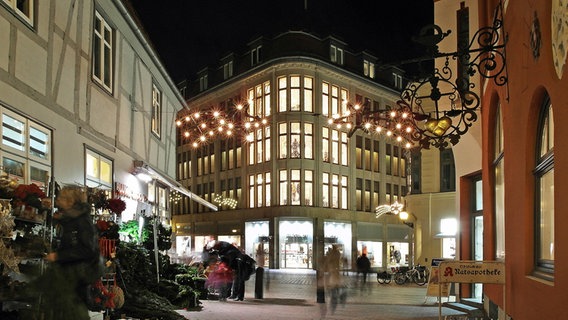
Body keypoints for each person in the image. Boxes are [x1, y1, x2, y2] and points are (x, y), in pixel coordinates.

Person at [39, 186, 102, 319]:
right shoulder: (71, 217)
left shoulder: (82, 220)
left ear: (71, 201)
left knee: (73, 312)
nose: (58, 200)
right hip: (69, 274)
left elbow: (87, 249)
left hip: (77, 276)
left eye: (62, 198)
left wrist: (58, 256)